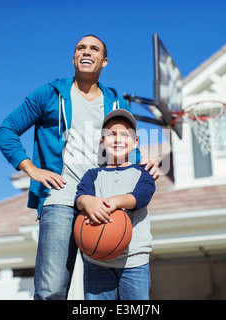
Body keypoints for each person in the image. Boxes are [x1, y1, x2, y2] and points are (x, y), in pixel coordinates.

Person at [0, 35, 160, 300]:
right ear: (74, 57)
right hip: (60, 197)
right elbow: (6, 131)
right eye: (80, 47)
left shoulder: (116, 102)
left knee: (100, 286)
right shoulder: (50, 94)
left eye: (94, 49)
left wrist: (144, 161)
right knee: (52, 289)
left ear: (104, 61)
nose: (86, 51)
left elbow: (129, 147)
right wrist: (31, 169)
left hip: (100, 202)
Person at [75, 109, 156, 300]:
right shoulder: (93, 175)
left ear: (136, 142)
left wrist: (114, 202)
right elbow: (79, 198)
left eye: (125, 134)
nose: (118, 139)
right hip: (97, 261)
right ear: (102, 142)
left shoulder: (143, 172)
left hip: (134, 261)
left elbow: (142, 196)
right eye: (111, 134)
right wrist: (87, 201)